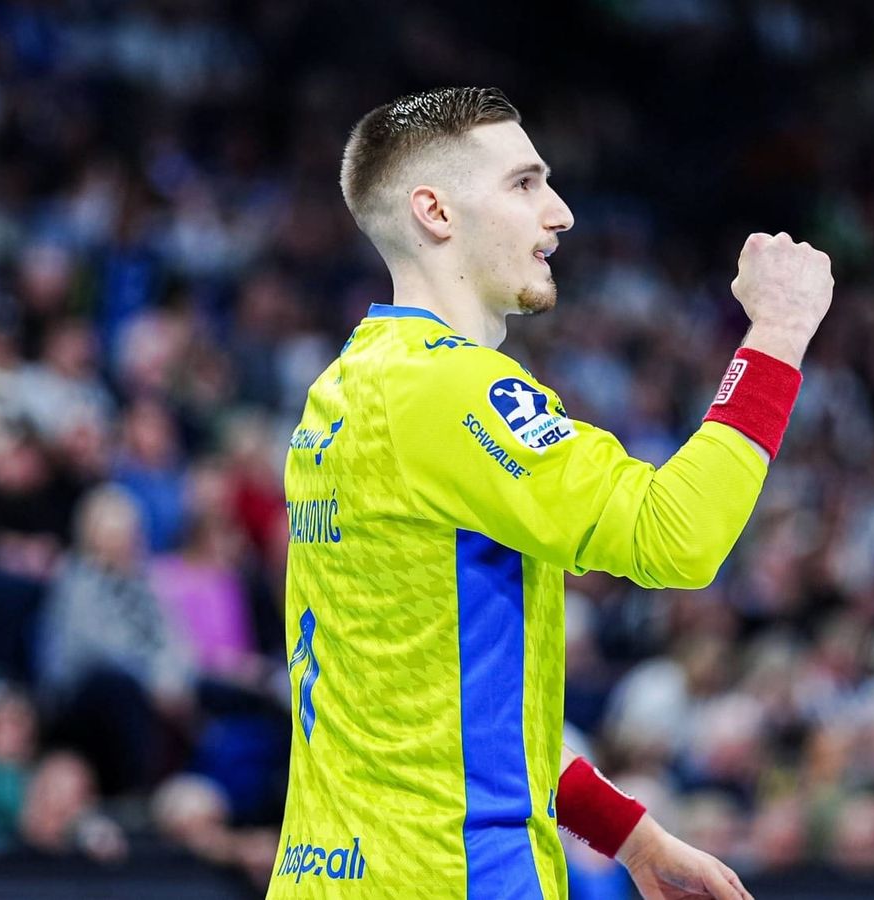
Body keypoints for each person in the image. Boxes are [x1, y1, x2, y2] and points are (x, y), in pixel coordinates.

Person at [271, 86, 832, 899]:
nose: (560, 213)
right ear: (435, 211)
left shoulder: (342, 392)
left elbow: (428, 708)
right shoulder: (449, 389)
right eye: (524, 183)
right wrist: (779, 330)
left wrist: (629, 836)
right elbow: (675, 536)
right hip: (454, 876)